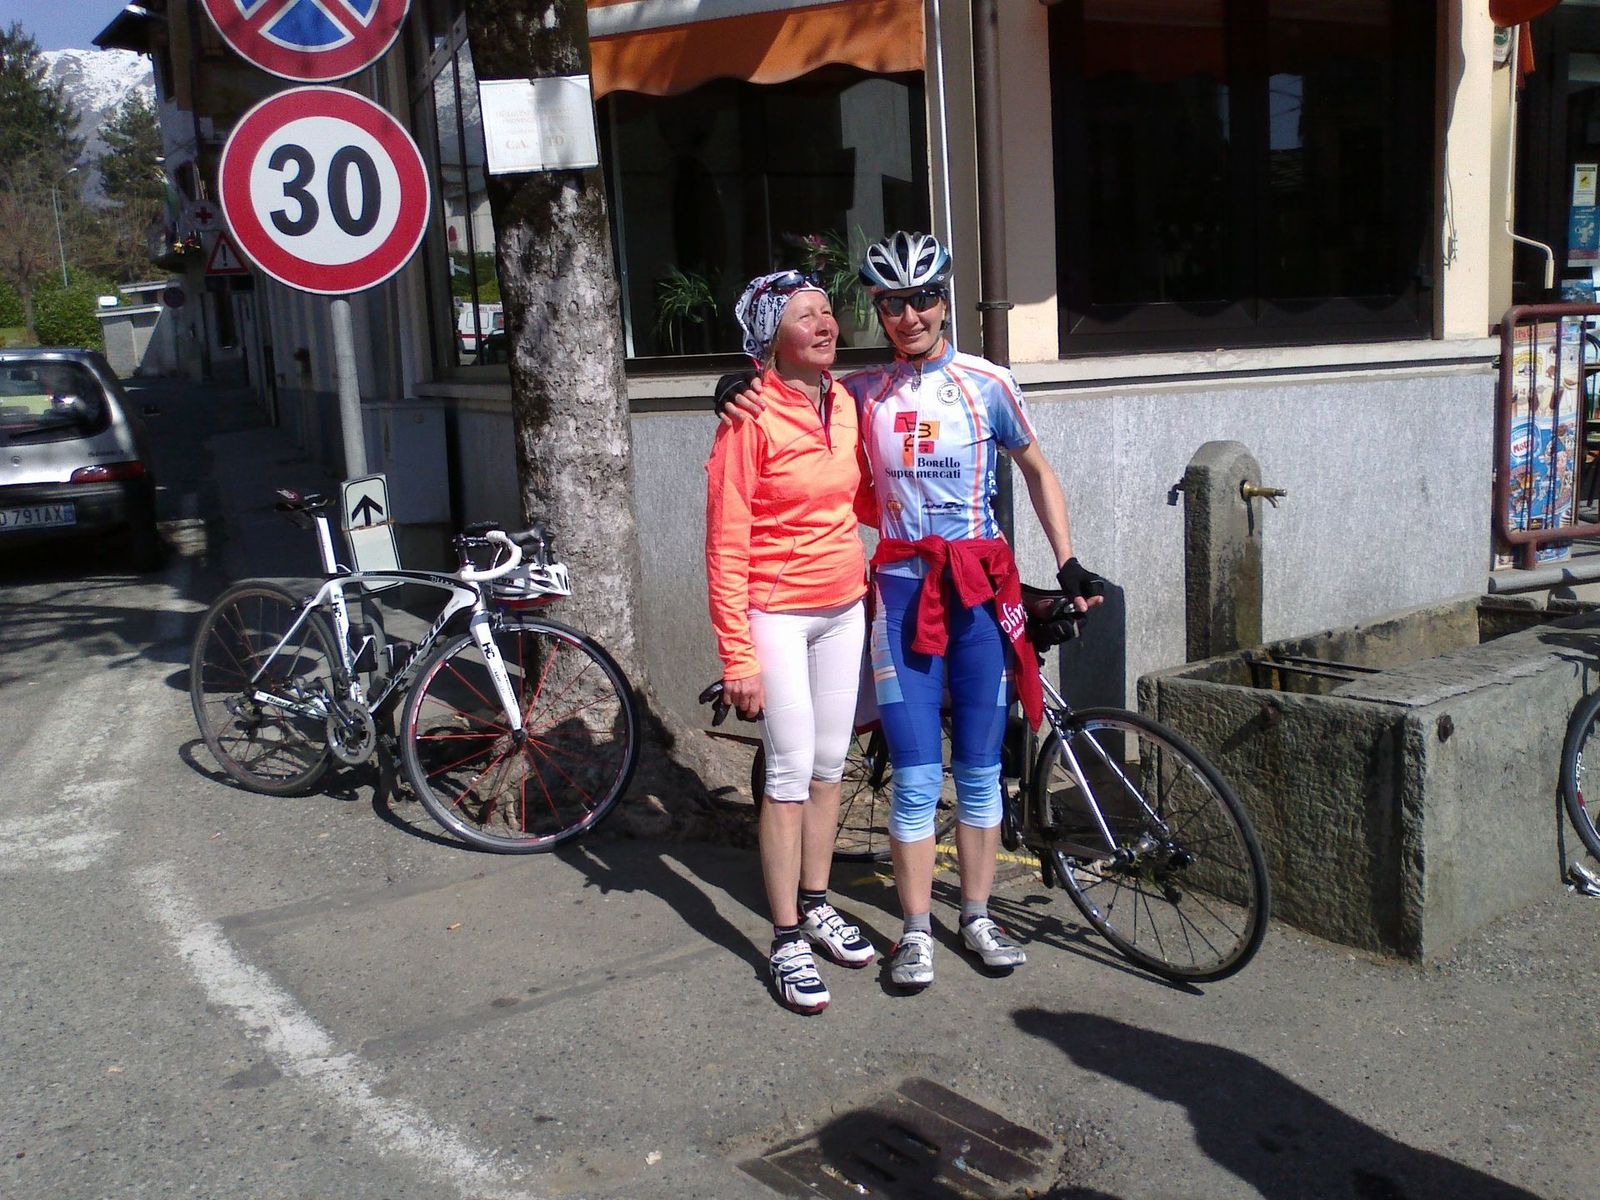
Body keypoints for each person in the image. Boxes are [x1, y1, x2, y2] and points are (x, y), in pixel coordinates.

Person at [719, 232, 1104, 991]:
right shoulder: (861, 392)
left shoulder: (988, 382)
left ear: (945, 301)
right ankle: (918, 930)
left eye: (924, 298)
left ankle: (979, 916)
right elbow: (792, 391)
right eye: (893, 304)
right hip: (900, 592)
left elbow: (1037, 470)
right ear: (879, 310)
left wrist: (1065, 562)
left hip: (980, 590)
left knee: (982, 770)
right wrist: (735, 383)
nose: (911, 316)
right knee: (918, 776)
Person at [705, 270, 879, 1014]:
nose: (825, 323)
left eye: (828, 311)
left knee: (830, 765)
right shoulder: (747, 417)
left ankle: (816, 900)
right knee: (787, 773)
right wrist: (736, 655)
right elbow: (724, 544)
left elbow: (862, 496)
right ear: (770, 337)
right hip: (776, 615)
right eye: (804, 316)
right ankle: (784, 939)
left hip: (845, 608)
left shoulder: (845, 402)